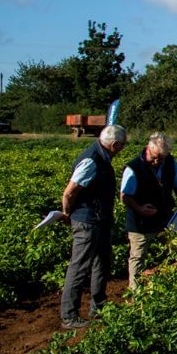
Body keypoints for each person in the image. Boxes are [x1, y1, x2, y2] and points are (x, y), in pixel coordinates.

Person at [58, 124, 127, 329]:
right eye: (122, 144)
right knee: (79, 267)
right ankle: (69, 316)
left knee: (102, 263)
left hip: (100, 220)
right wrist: (67, 213)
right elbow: (69, 192)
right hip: (87, 221)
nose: (123, 148)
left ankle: (99, 306)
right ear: (114, 144)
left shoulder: (102, 158)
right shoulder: (91, 160)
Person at [121, 132, 177, 289]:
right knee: (137, 257)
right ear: (148, 148)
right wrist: (139, 208)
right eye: (154, 157)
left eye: (161, 158)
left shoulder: (170, 163)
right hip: (140, 222)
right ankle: (135, 293)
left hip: (166, 218)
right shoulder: (133, 168)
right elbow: (124, 196)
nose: (157, 161)